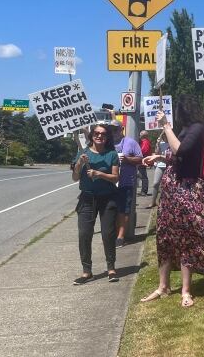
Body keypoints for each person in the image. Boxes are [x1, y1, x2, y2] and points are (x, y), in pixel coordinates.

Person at [140, 95, 204, 308]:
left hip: (188, 189)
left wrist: (166, 126)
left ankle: (186, 290)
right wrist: (160, 158)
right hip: (173, 188)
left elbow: (182, 150)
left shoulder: (197, 128)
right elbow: (178, 156)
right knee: (166, 235)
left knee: (186, 237)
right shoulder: (185, 130)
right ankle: (163, 286)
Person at [71, 124, 120, 284]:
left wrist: (99, 174)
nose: (100, 136)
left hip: (107, 198)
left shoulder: (111, 154)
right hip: (87, 198)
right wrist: (79, 164)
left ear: (107, 137)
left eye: (103, 134)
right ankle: (87, 271)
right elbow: (75, 178)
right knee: (84, 234)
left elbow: (115, 178)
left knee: (108, 234)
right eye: (97, 133)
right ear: (92, 135)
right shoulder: (82, 153)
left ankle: (111, 268)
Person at [111, 121, 143, 248]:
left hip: (126, 181)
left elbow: (140, 158)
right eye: (111, 130)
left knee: (123, 210)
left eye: (116, 129)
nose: (113, 132)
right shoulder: (107, 143)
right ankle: (111, 234)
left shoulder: (130, 142)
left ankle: (120, 236)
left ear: (121, 129)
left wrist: (127, 159)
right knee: (111, 209)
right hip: (111, 182)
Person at [146, 134, 169, 209]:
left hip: (169, 165)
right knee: (156, 183)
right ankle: (153, 202)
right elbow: (156, 153)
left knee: (166, 185)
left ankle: (165, 202)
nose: (165, 136)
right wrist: (158, 144)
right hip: (160, 165)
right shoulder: (161, 143)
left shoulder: (172, 142)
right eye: (164, 135)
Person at [138, 130, 152, 196]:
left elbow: (143, 150)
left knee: (143, 176)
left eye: (140, 134)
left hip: (142, 161)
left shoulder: (145, 142)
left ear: (143, 135)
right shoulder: (144, 142)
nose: (139, 135)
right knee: (142, 176)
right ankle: (143, 191)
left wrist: (136, 153)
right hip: (141, 160)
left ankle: (144, 191)